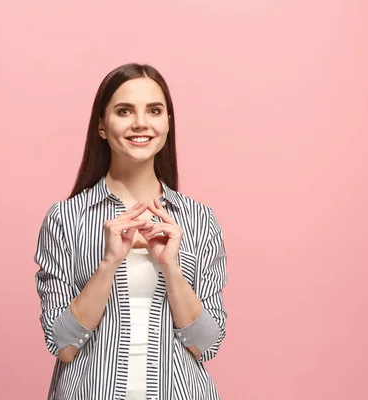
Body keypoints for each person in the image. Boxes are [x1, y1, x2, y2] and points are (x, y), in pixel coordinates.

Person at [34, 63, 228, 400]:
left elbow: (207, 345)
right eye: (124, 111)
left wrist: (171, 268)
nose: (141, 123)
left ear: (168, 123)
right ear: (101, 127)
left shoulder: (198, 219)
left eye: (154, 110)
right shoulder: (66, 219)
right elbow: (62, 344)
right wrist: (108, 263)